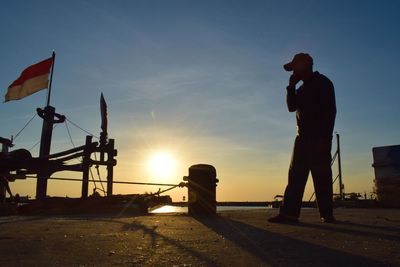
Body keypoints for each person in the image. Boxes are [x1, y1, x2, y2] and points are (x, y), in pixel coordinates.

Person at [268, 53, 337, 223]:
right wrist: (291, 87)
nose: (293, 72)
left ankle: (327, 214)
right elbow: (292, 107)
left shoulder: (323, 83)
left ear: (304, 66)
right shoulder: (301, 88)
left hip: (319, 137)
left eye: (294, 68)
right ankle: (289, 214)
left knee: (321, 176)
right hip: (302, 137)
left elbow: (330, 112)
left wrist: (325, 137)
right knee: (296, 176)